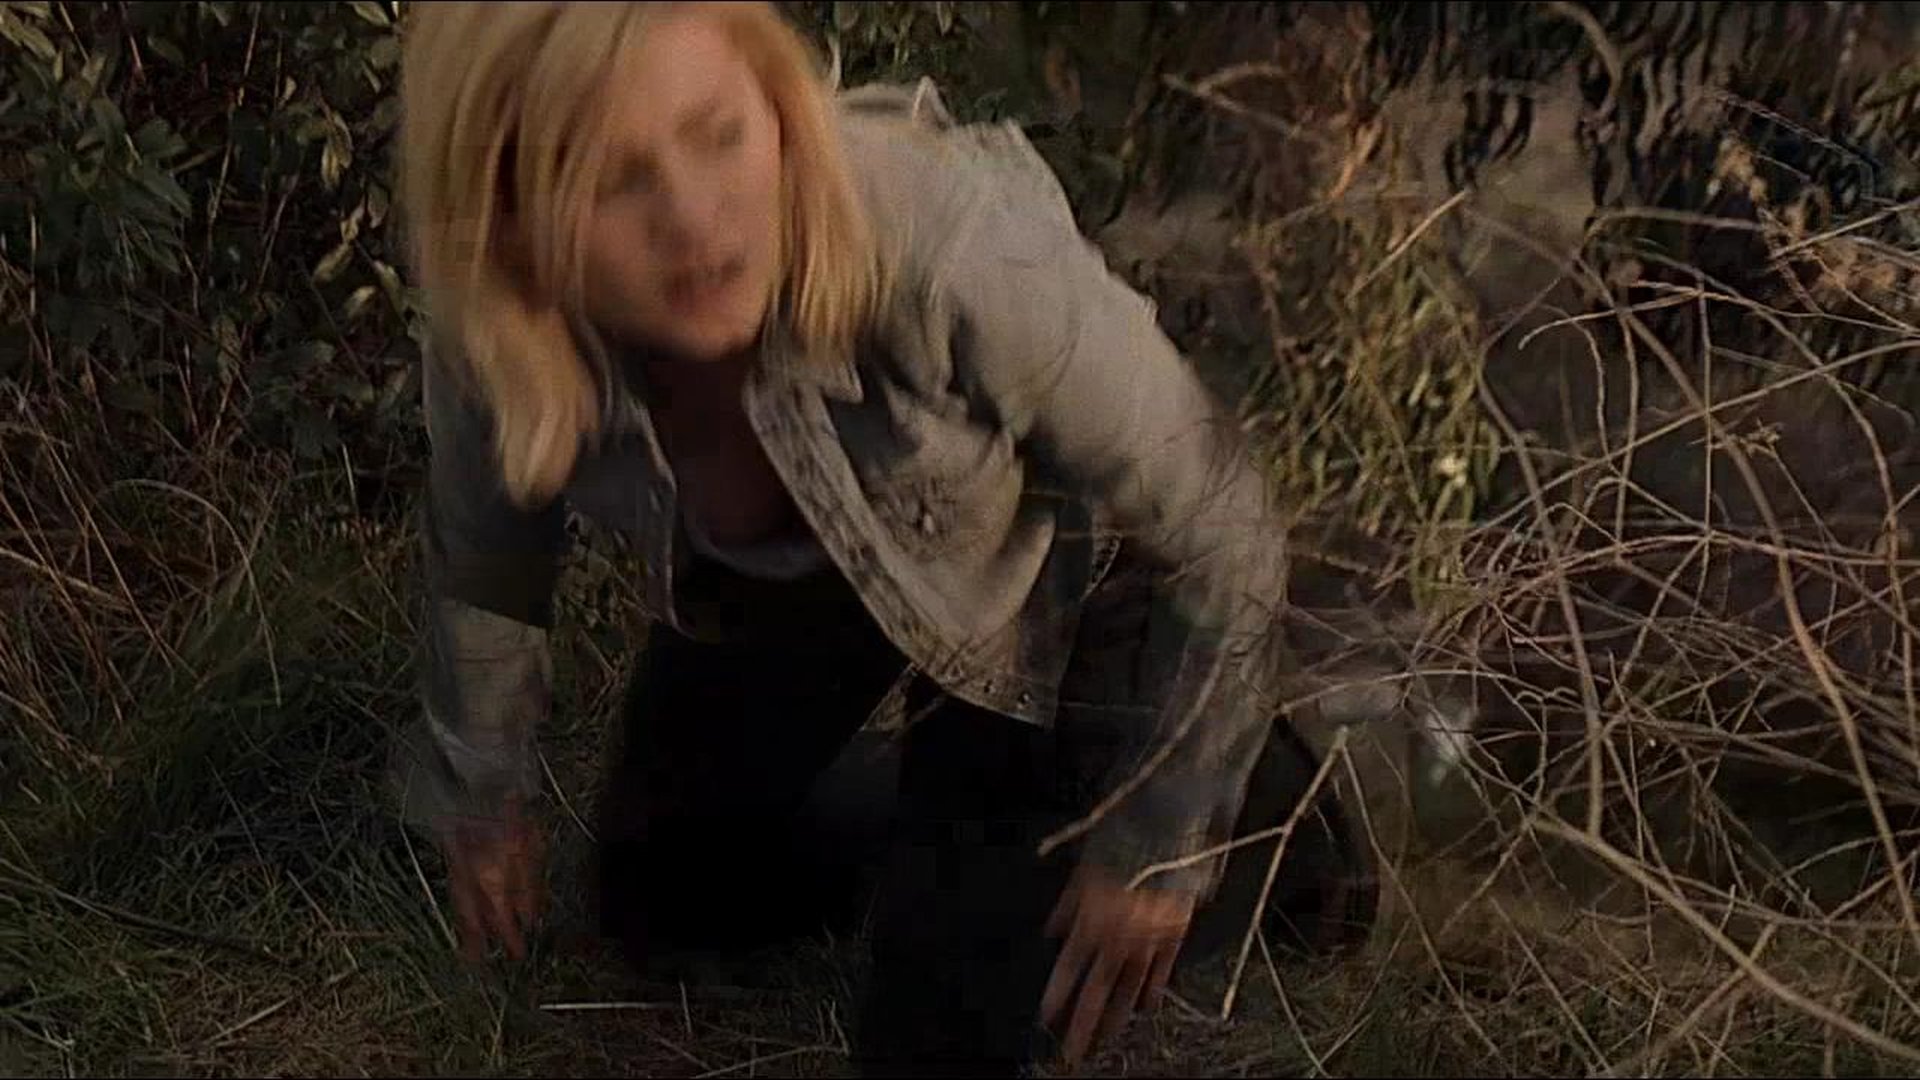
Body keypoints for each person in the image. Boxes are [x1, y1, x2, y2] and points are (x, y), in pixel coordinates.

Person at [388, 2, 1375, 1074]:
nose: (695, 217)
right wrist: (486, 795)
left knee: (940, 1047)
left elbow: (1220, 513)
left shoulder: (946, 238)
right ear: (511, 217)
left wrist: (1157, 841)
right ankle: (934, 829)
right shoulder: (500, 324)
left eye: (720, 133)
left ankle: (1269, 814)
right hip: (804, 574)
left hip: (1043, 599)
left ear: (777, 104)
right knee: (660, 902)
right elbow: (491, 557)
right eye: (613, 180)